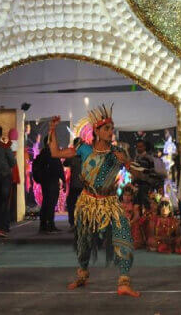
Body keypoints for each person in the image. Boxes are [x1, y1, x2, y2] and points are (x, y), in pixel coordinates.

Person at [48, 105, 141, 297]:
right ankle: (82, 274)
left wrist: (129, 165)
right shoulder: (84, 149)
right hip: (88, 202)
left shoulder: (118, 153)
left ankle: (124, 281)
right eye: (106, 128)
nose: (110, 131)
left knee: (123, 236)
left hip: (110, 203)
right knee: (84, 241)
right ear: (96, 131)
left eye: (111, 128)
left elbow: (135, 173)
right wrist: (52, 129)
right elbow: (56, 153)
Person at [0, 125, 16, 238]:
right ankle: (2, 227)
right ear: (1, 134)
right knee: (4, 202)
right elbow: (13, 162)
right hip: (4, 176)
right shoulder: (5, 147)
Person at [35, 137, 64, 234]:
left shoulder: (43, 153)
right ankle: (49, 225)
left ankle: (45, 225)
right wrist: (62, 179)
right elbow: (58, 167)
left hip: (46, 181)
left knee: (47, 203)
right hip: (51, 181)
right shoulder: (50, 153)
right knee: (50, 203)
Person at [63, 138, 83, 231]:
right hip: (82, 185)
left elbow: (65, 163)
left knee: (72, 204)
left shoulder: (73, 155)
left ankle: (73, 223)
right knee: (78, 204)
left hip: (76, 184)